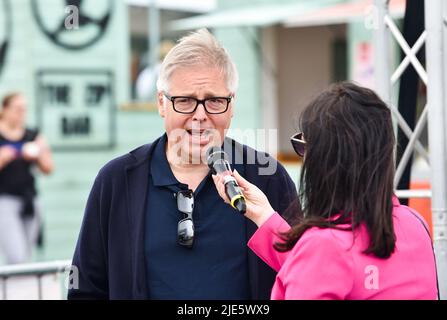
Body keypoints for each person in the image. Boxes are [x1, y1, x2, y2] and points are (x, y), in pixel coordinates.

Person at [68, 29, 297, 299]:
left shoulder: (267, 177)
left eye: (214, 101)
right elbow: (86, 289)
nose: (200, 116)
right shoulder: (117, 181)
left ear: (231, 105)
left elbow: (303, 276)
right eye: (185, 101)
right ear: (162, 103)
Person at [213, 82, 439, 300]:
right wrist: (264, 216)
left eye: (304, 146)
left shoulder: (324, 246)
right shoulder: (415, 224)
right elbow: (330, 270)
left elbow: (322, 265)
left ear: (325, 160)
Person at [0, 92, 54, 265]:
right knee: (17, 257)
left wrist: (37, 155)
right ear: (5, 110)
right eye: (17, 109)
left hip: (29, 199)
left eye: (24, 109)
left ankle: (21, 292)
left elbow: (49, 167)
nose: (21, 114)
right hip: (5, 200)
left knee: (26, 256)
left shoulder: (32, 135)